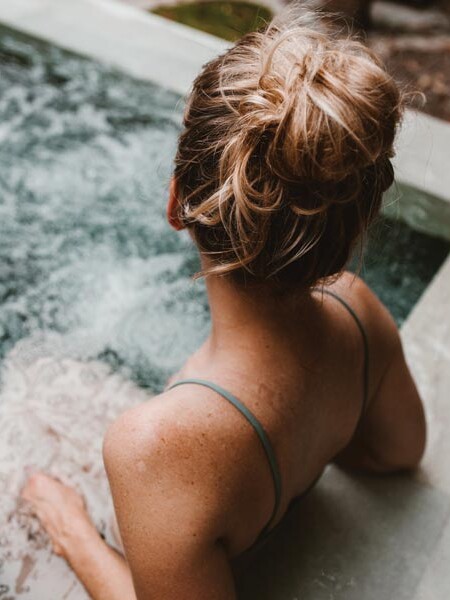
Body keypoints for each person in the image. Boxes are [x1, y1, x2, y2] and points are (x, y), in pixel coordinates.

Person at [21, 9, 426, 599]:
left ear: (175, 202)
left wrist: (72, 530)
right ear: (349, 226)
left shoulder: (156, 447)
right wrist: (305, 439)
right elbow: (400, 452)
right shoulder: (358, 312)